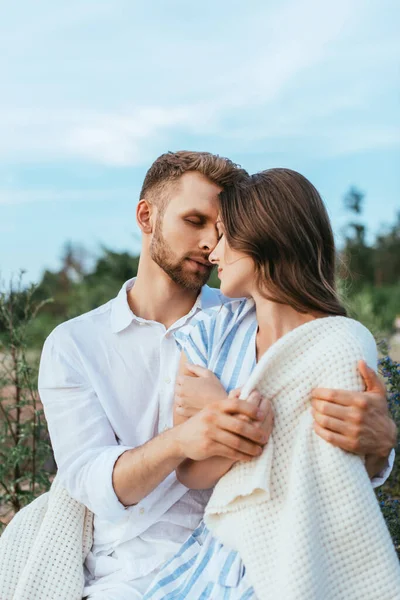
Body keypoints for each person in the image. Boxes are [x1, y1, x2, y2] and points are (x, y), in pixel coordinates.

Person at [37, 153, 396, 599]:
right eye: (195, 220)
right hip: (127, 570)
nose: (210, 243)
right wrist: (189, 438)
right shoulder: (74, 345)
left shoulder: (250, 312)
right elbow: (91, 481)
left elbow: (321, 446)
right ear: (146, 216)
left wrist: (381, 448)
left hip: (246, 551)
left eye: (222, 229)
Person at [143, 168, 399, 599]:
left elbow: (336, 473)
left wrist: (224, 411)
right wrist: (230, 423)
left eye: (224, 236)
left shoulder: (337, 342)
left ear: (263, 239)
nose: (214, 251)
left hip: (305, 551)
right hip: (218, 558)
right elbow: (191, 471)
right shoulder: (208, 334)